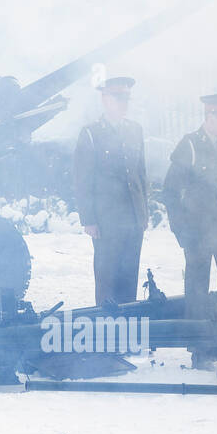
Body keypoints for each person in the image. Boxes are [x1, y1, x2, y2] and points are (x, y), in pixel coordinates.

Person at [162, 94, 217, 370]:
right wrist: (181, 230)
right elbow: (170, 191)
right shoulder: (190, 145)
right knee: (197, 289)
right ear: (211, 117)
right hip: (198, 230)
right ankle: (199, 348)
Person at [73, 76, 147, 306]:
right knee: (107, 280)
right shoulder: (91, 133)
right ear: (105, 100)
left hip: (133, 219)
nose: (123, 103)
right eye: (118, 97)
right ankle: (107, 334)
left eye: (126, 98)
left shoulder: (135, 130)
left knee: (129, 278)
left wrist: (143, 213)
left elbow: (140, 174)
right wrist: (89, 219)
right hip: (106, 220)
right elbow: (82, 180)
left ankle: (127, 335)